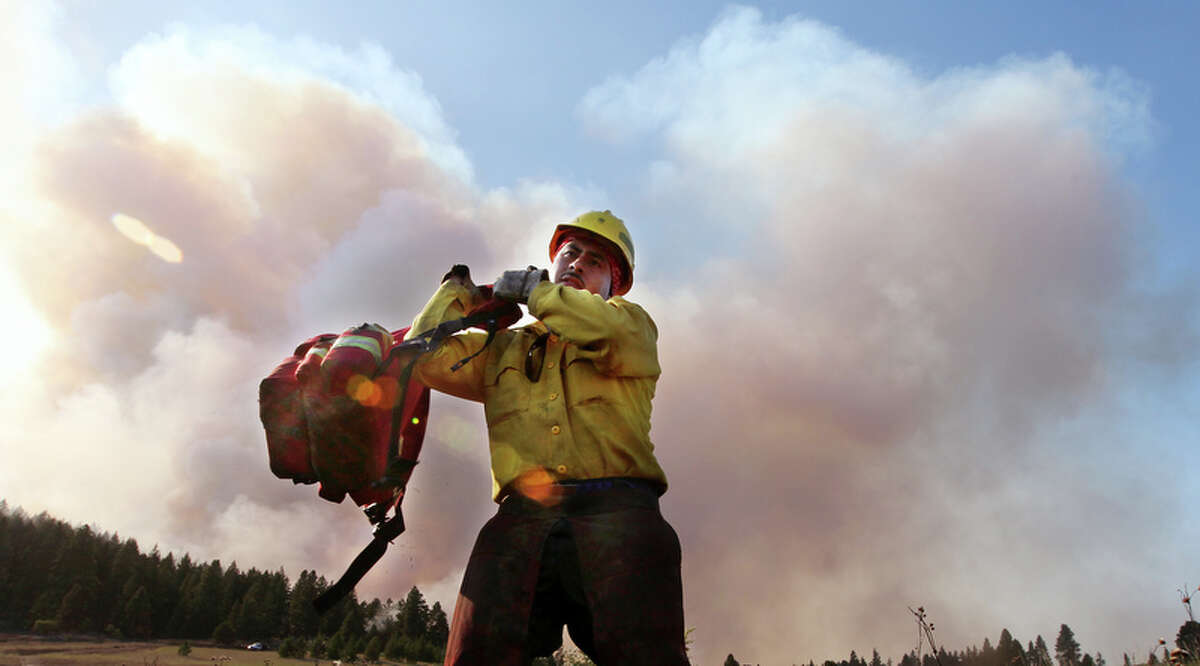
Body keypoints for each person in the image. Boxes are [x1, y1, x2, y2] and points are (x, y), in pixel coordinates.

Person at [405, 210, 688, 665]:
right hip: (522, 517)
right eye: (570, 253)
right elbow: (424, 358)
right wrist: (460, 294)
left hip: (619, 516)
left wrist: (538, 294)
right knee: (474, 656)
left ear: (613, 284)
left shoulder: (630, 325)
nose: (577, 264)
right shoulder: (503, 348)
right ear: (553, 262)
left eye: (595, 261)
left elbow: (600, 327)